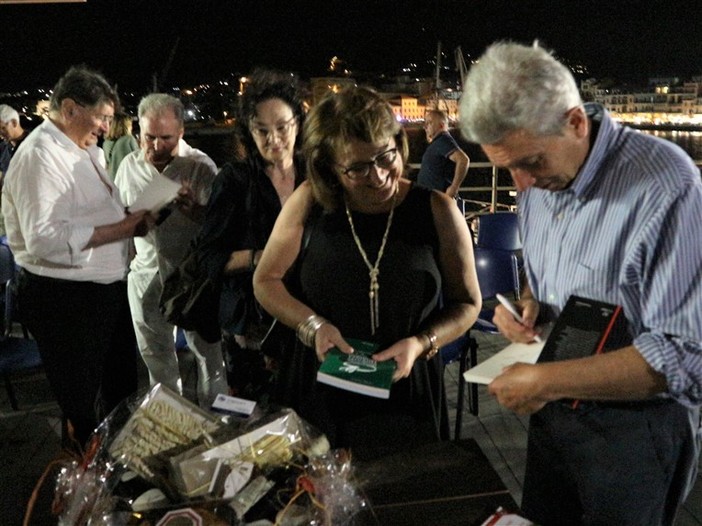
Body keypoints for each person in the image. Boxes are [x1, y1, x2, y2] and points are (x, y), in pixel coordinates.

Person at [459, 41, 702, 526]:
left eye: (530, 162)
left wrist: (544, 380)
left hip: (635, 428)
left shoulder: (666, 185)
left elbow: (685, 357)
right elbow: (543, 268)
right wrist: (529, 305)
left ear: (575, 122)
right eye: (505, 166)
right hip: (553, 410)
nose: (519, 184)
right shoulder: (538, 181)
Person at [253, 86, 481, 460]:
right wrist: (312, 326)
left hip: (406, 388)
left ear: (398, 144)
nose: (377, 176)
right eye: (357, 167)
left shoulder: (437, 210)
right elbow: (265, 280)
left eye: (385, 156)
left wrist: (422, 342)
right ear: (329, 167)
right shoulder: (309, 202)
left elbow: (467, 303)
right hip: (319, 383)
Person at [1, 66, 155, 447]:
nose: (106, 127)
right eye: (101, 117)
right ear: (69, 109)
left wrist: (135, 215)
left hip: (100, 294)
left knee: (117, 398)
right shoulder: (40, 156)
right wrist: (123, 229)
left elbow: (92, 212)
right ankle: (84, 490)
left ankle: (114, 478)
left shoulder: (82, 149)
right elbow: (44, 239)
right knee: (83, 411)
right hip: (67, 301)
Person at [195, 69, 307, 401]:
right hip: (253, 328)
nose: (274, 139)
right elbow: (209, 258)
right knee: (257, 426)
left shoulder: (316, 176)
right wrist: (263, 258)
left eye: (282, 127)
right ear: (249, 132)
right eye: (262, 130)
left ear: (298, 123)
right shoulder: (234, 181)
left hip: (307, 317)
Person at [115, 93, 227, 408]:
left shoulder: (201, 167)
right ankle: (171, 419)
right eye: (149, 137)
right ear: (138, 133)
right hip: (146, 273)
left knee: (208, 355)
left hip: (192, 278)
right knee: (155, 357)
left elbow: (221, 229)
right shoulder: (128, 166)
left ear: (181, 133)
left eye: (166, 138)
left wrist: (195, 211)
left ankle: (216, 422)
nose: (156, 146)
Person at [415, 109, 469, 197]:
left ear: (441, 125)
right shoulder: (439, 141)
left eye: (429, 123)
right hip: (431, 197)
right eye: (425, 123)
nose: (425, 127)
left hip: (438, 198)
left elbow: (463, 160)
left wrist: (454, 188)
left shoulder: (443, 140)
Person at [103, 111, 138, 181]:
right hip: (127, 179)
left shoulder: (106, 143)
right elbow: (139, 159)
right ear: (126, 125)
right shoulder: (129, 139)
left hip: (112, 180)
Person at [0, 104, 27, 178]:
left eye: (2, 128)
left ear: (14, 123)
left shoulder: (34, 145)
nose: (0, 134)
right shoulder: (3, 147)